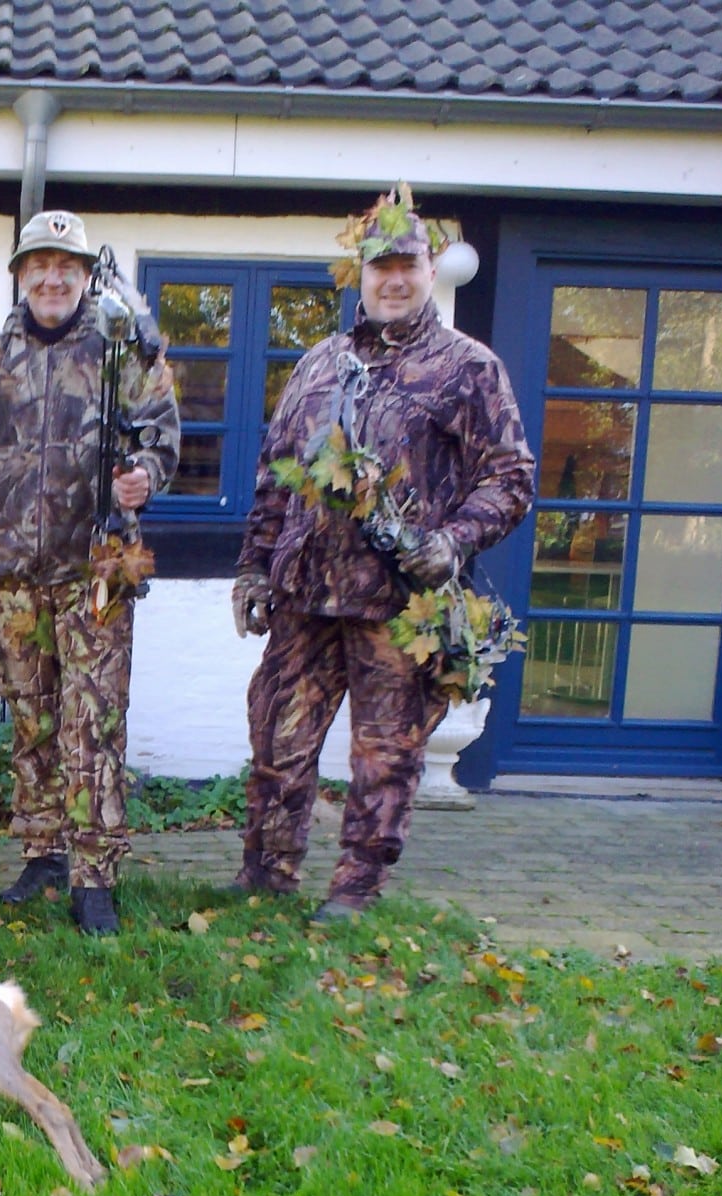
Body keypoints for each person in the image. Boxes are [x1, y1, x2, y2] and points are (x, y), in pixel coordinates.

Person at [232, 184, 533, 922]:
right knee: (278, 738)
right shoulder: (319, 364)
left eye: (407, 266)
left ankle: (356, 889)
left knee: (385, 753)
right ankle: (266, 876)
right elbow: (274, 475)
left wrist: (451, 542)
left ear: (430, 272)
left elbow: (510, 477)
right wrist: (252, 568)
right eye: (380, 267)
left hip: (397, 603)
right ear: (359, 275)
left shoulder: (468, 367)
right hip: (304, 594)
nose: (393, 280)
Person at [0, 211, 180, 936]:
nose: (52, 279)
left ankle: (95, 872)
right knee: (32, 721)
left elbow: (163, 438)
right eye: (39, 265)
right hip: (12, 579)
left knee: (93, 723)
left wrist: (144, 475)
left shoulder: (123, 355)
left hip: (97, 575)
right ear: (20, 273)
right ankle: (42, 853)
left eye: (67, 267)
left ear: (86, 277)